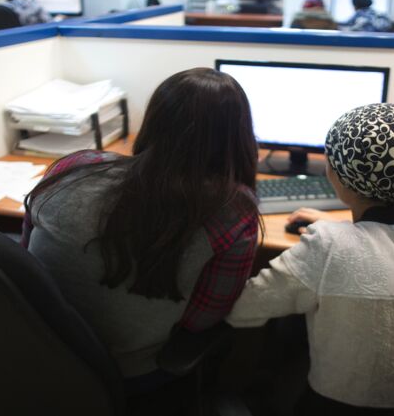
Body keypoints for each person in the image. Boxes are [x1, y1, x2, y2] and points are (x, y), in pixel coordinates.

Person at [227, 103, 394, 415]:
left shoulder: (329, 246)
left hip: (349, 407)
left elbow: (241, 310)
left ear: (338, 177)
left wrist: (336, 232)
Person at [22, 68, 261, 393]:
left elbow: (23, 255)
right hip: (124, 372)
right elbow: (199, 321)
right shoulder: (233, 210)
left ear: (153, 120)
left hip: (33, 349)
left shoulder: (72, 167)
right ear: (238, 137)